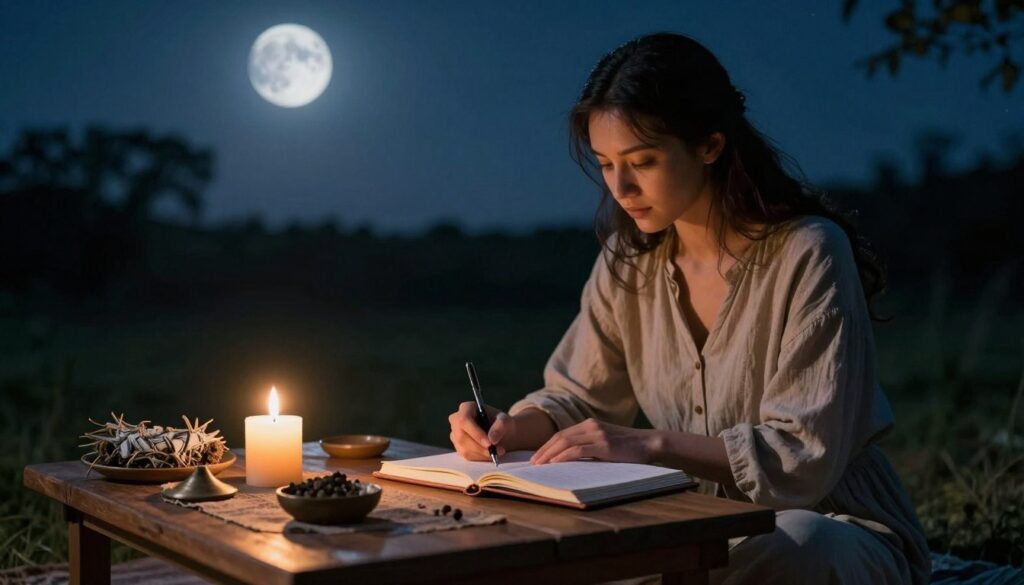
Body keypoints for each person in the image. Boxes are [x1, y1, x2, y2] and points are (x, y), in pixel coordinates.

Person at [446, 32, 929, 584]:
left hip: (828, 524)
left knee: (801, 545)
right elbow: (577, 396)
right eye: (605, 164)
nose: (621, 187)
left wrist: (649, 443)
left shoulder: (808, 251)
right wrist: (510, 426)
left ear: (710, 145)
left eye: (643, 160)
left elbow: (803, 456)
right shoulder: (629, 260)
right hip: (684, 526)